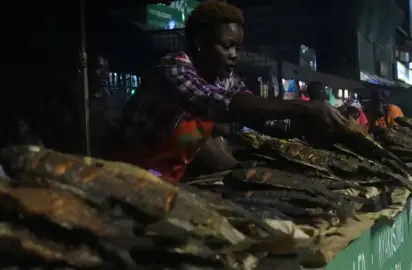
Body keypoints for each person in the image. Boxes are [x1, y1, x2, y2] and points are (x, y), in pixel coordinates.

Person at [112, 0, 348, 182]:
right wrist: (304, 107)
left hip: (169, 181)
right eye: (226, 46)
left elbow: (257, 115)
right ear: (199, 42)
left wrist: (307, 125)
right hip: (128, 175)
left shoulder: (226, 79)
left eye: (237, 47)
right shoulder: (174, 69)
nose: (234, 54)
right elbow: (226, 104)